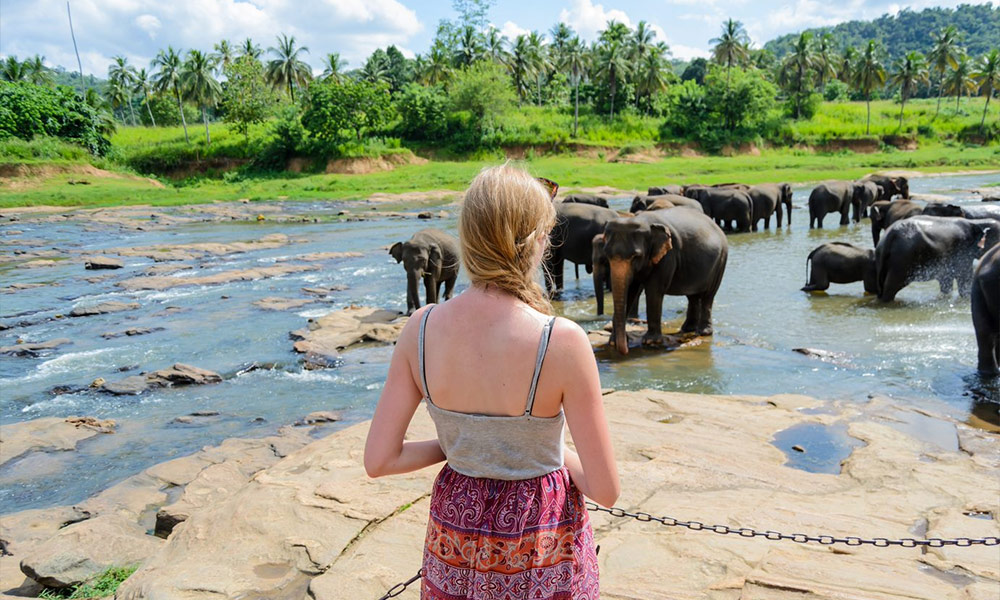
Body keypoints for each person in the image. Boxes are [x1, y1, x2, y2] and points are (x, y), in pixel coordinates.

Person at [364, 163, 619, 600]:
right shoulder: (560, 340)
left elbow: (379, 461)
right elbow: (605, 490)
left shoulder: (420, 329)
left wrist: (459, 442)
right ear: (539, 242)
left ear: (467, 241)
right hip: (539, 545)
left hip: (453, 540)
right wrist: (544, 448)